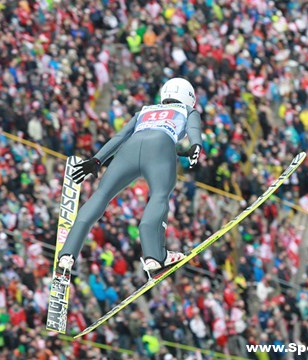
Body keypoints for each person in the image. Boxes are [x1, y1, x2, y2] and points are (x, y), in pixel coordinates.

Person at [58, 78, 204, 274]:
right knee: (160, 195)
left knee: (101, 196)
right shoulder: (188, 111)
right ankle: (154, 256)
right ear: (188, 98)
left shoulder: (144, 111)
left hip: (129, 149)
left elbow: (120, 136)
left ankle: (67, 254)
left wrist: (97, 159)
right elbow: (191, 130)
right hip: (160, 147)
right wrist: (196, 145)